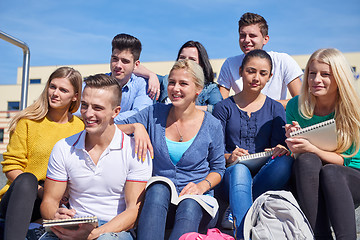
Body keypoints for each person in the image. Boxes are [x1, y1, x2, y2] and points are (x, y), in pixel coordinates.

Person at [119, 59, 226, 240]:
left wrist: (201, 186)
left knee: (190, 204)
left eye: (183, 83)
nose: (175, 88)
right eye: (172, 82)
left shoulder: (212, 125)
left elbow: (218, 168)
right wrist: (135, 127)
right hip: (158, 205)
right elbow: (111, 130)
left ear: (198, 89)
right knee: (158, 187)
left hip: (198, 204)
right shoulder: (153, 113)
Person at [40, 74, 152, 240]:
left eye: (97, 108)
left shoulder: (136, 151)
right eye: (84, 105)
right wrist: (55, 215)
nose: (88, 114)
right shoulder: (63, 148)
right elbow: (49, 201)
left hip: (115, 229)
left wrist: (94, 234)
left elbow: (132, 212)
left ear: (116, 112)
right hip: (75, 223)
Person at [213, 49, 293, 240]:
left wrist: (278, 150)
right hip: (230, 176)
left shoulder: (275, 107)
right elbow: (214, 151)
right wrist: (230, 157)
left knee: (285, 162)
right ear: (241, 71)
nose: (256, 78)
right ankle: (244, 232)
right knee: (240, 170)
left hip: (264, 175)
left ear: (270, 77)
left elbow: (279, 146)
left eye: (263, 73)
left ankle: (238, 205)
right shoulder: (223, 107)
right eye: (251, 71)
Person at [0, 67, 84, 240]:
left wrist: (136, 126)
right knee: (28, 179)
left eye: (63, 90)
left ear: (75, 96)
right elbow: (11, 167)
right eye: (52, 87)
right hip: (22, 196)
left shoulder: (81, 127)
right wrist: (41, 192)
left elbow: (107, 129)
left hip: (59, 200)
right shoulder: (28, 122)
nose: (55, 93)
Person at [285, 48, 360, 239]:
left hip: (349, 178)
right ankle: (319, 236)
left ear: (339, 77)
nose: (316, 79)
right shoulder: (296, 105)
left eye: (325, 74)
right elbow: (300, 157)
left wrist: (313, 148)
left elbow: (350, 161)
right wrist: (293, 143)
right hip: (311, 177)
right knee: (306, 160)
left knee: (331, 171)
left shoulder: (354, 108)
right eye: (312, 73)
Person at [217, 12, 303, 108]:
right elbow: (221, 105)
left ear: (265, 39)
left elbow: (301, 99)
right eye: (242, 35)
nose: (246, 40)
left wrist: (264, 106)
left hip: (276, 120)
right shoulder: (229, 64)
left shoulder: (283, 60)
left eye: (252, 35)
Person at [133, 40, 223, 112]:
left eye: (192, 59)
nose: (186, 61)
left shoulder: (210, 88)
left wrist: (188, 109)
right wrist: (151, 75)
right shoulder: (165, 81)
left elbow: (220, 109)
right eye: (182, 57)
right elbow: (134, 67)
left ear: (202, 64)